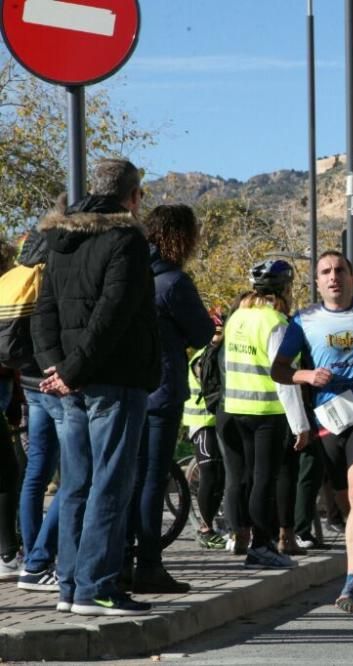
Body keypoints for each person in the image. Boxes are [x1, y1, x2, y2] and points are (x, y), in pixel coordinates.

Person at [32, 159, 159, 616]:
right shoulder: (126, 239)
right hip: (115, 379)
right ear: (134, 196)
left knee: (76, 484)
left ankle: (70, 586)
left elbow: (43, 311)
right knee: (111, 482)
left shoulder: (60, 239)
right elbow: (114, 313)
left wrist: (58, 368)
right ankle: (97, 588)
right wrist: (75, 368)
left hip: (70, 383)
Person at [271, 251, 353, 614]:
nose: (334, 277)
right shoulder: (305, 320)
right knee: (348, 508)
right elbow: (279, 370)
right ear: (317, 282)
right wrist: (307, 376)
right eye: (326, 272)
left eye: (340, 270)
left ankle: (352, 585)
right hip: (329, 419)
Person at [127, 204, 214, 594]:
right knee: (152, 479)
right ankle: (149, 564)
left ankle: (121, 560)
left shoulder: (130, 273)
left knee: (129, 477)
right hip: (162, 391)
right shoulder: (175, 283)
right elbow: (199, 334)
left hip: (129, 388)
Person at [220, 259, 306, 569]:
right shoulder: (276, 323)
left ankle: (247, 539)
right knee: (264, 481)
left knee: (244, 478)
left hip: (234, 409)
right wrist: (300, 424)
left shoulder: (237, 317)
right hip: (266, 411)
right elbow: (282, 378)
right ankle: (262, 546)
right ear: (285, 288)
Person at [13, 229, 62, 592]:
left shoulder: (15, 278)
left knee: (35, 473)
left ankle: (31, 555)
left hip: (27, 382)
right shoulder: (48, 280)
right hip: (53, 383)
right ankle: (39, 560)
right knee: (77, 473)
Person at [183, 315, 227, 550]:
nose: (218, 335)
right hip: (202, 420)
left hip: (222, 419)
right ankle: (205, 528)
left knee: (224, 473)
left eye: (221, 330)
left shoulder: (224, 353)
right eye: (215, 331)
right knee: (210, 470)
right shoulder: (203, 357)